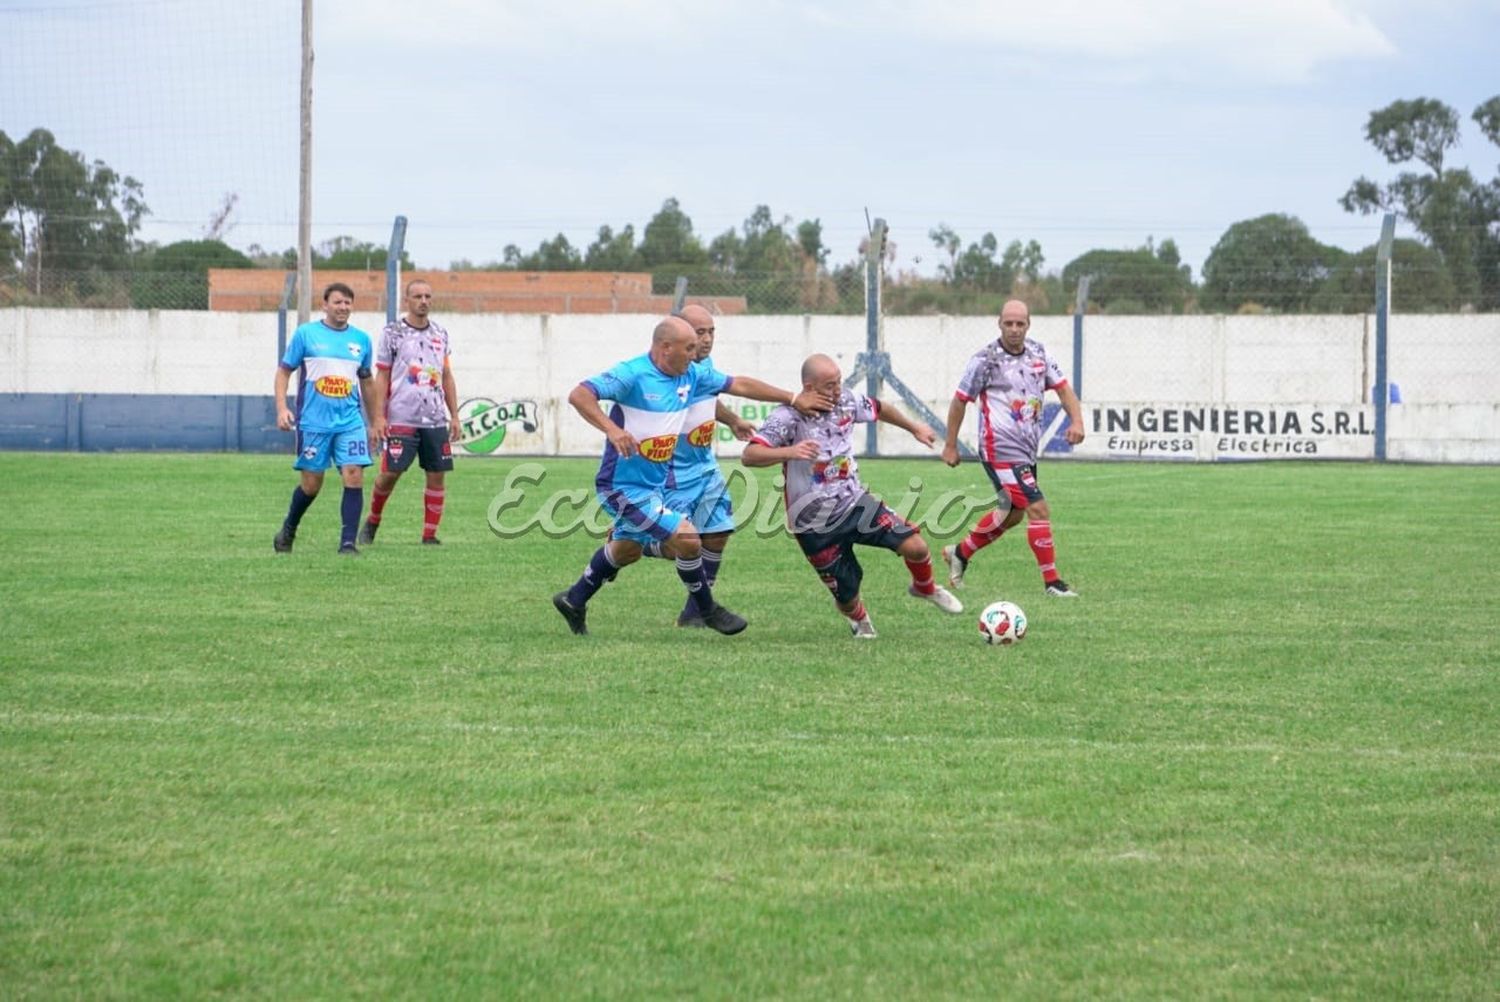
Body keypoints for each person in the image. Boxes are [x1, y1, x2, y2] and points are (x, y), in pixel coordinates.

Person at [552, 315, 827, 637]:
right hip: (622, 486)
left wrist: (792, 399)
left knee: (627, 550)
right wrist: (612, 429)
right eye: (690, 347)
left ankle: (574, 599)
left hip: (655, 483)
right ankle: (707, 611)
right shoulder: (632, 374)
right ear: (665, 348)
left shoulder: (691, 374)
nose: (697, 353)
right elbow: (579, 395)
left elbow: (739, 383)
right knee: (687, 539)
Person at [741, 353, 964, 639]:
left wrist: (914, 427)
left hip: (854, 504)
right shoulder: (788, 416)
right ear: (808, 388)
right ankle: (859, 619)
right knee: (846, 594)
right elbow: (750, 455)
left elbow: (879, 408)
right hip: (813, 523)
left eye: (839, 382)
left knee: (916, 547)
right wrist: (789, 452)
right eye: (830, 385)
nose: (838, 390)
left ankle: (925, 587)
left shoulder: (845, 401)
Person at [939, 298, 1085, 597]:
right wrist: (950, 444)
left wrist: (1077, 421)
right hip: (999, 449)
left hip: (1026, 450)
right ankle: (1052, 582)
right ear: (999, 324)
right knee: (1037, 508)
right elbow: (960, 400)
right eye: (1009, 323)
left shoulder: (1039, 353)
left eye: (1020, 323)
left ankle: (960, 552)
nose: (1015, 329)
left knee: (1013, 514)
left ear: (1028, 324)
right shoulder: (985, 360)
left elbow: (1063, 388)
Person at [655, 304, 758, 627]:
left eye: (711, 331)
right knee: (681, 545)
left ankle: (695, 612)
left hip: (705, 465)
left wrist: (732, 420)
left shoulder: (703, 366)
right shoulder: (665, 373)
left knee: (718, 533)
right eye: (700, 332)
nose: (707, 339)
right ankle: (633, 539)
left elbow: (708, 398)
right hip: (672, 471)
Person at [272, 282, 378, 556]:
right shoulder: (306, 335)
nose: (343, 307)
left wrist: (376, 420)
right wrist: (282, 408)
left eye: (348, 303)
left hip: (350, 422)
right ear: (325, 305)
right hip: (313, 422)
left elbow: (367, 382)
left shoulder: (361, 340)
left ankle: (347, 544)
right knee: (311, 483)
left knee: (353, 475)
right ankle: (289, 528)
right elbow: (284, 372)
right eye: (338, 302)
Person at [359, 279, 460, 546]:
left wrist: (455, 415)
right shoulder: (393, 333)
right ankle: (372, 520)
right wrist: (379, 416)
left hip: (435, 418)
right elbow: (382, 375)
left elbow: (447, 375)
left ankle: (429, 535)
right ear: (407, 300)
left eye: (428, 296)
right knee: (390, 474)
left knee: (436, 475)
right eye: (417, 296)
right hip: (402, 417)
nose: (423, 301)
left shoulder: (440, 333)